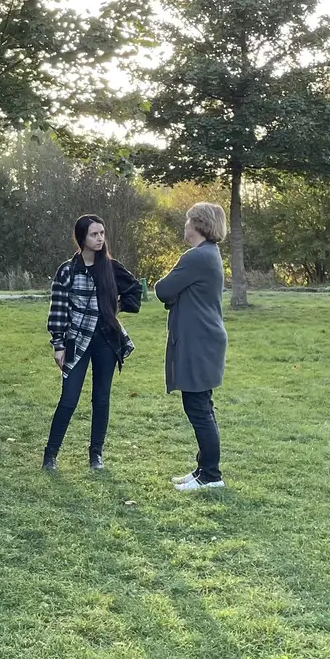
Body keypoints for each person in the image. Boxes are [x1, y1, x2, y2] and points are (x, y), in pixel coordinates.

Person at [43, 214, 144, 472]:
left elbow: (134, 289)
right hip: (76, 340)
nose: (99, 239)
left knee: (101, 399)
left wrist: (114, 309)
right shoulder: (68, 270)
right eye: (93, 234)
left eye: (102, 233)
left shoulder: (111, 267)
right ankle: (50, 455)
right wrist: (58, 344)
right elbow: (58, 309)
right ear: (82, 238)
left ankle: (95, 455)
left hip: (106, 340)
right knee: (69, 398)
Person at [154, 201, 230, 491]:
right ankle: (203, 469)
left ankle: (211, 475)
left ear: (198, 224)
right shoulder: (209, 255)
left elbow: (163, 290)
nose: (184, 226)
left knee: (198, 407)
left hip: (199, 341)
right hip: (204, 339)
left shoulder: (196, 257)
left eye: (187, 221)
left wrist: (174, 296)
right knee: (201, 405)